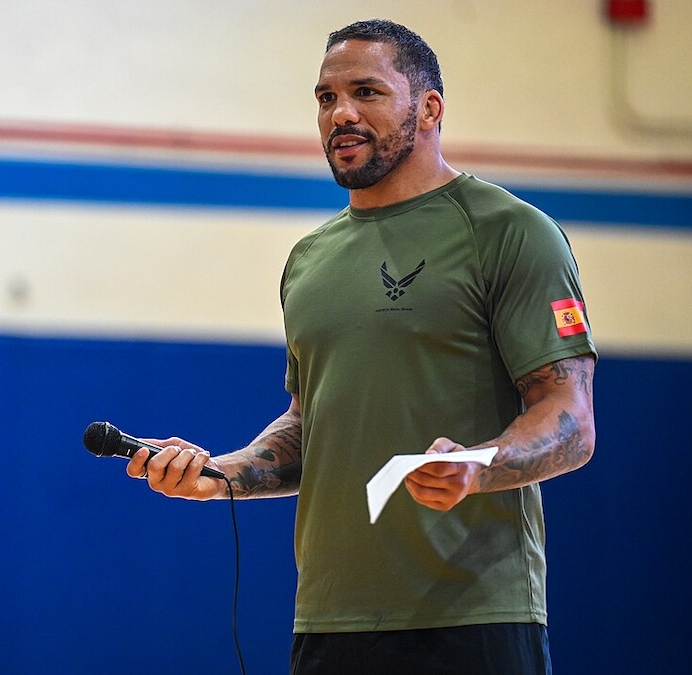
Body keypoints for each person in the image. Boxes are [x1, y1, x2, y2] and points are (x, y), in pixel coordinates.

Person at [125, 18, 597, 675]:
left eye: (367, 92)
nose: (341, 113)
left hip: (475, 620)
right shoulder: (308, 260)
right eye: (326, 98)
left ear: (429, 107)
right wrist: (221, 475)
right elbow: (307, 426)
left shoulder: (512, 232)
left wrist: (478, 466)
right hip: (329, 623)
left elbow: (570, 419)